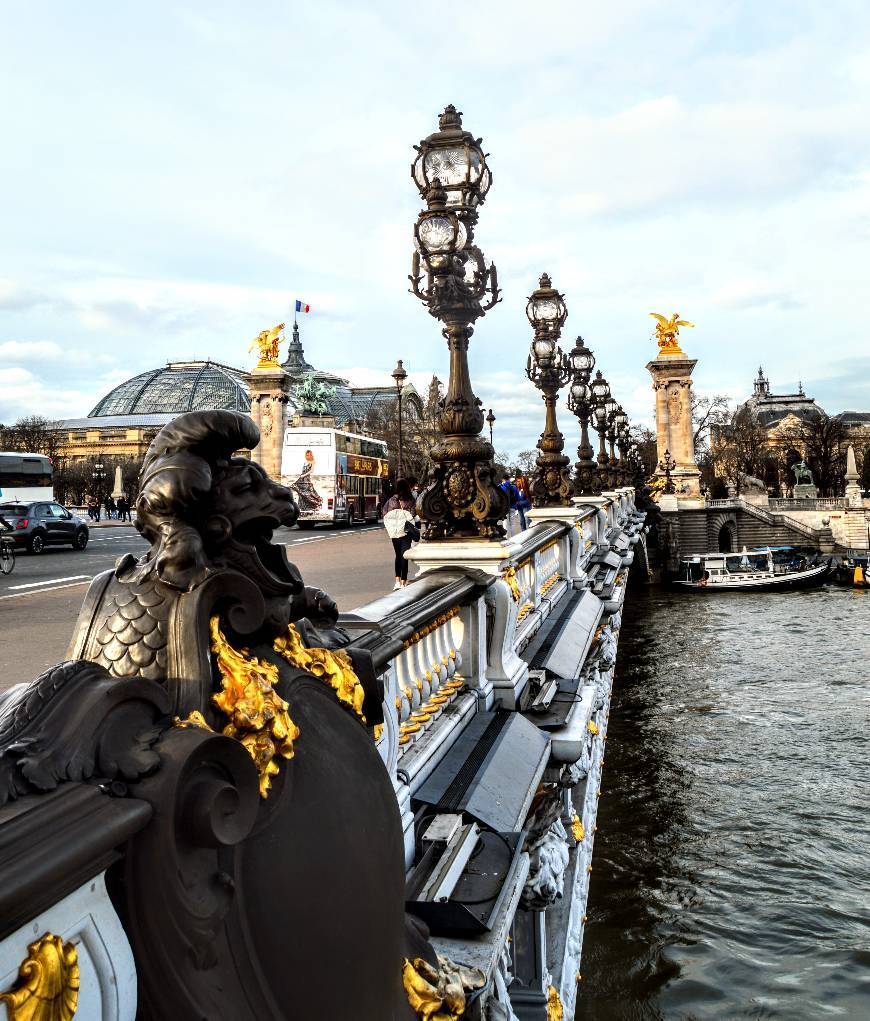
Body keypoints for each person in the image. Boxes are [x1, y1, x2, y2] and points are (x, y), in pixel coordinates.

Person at [382, 478, 418, 590]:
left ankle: (397, 581)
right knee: (404, 556)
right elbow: (413, 514)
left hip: (395, 531)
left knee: (398, 555)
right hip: (406, 531)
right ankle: (404, 581)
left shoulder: (392, 500)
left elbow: (385, 513)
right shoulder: (411, 499)